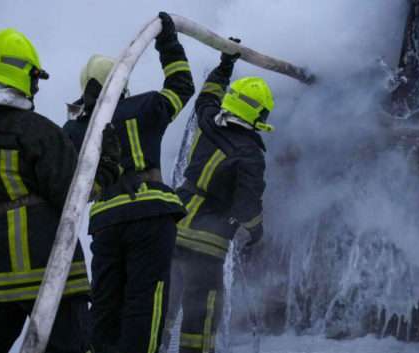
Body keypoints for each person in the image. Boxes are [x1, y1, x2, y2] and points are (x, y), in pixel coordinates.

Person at [0, 28, 120, 353]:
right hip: (49, 272)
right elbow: (73, 194)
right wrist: (108, 166)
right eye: (35, 80)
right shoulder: (38, 131)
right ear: (24, 77)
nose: (37, 88)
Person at [63, 12, 195, 353]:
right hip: (151, 215)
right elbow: (182, 86)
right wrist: (168, 42)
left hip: (106, 220)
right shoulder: (147, 106)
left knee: (105, 302)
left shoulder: (75, 130)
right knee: (145, 302)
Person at [166, 40, 274, 353]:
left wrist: (225, 65)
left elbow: (207, 95)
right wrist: (256, 233)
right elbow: (246, 207)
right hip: (206, 245)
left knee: (164, 306)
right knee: (203, 311)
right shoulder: (251, 155)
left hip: (173, 227)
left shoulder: (209, 120)